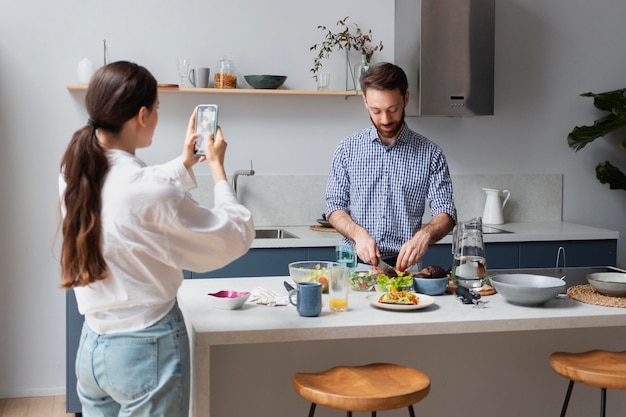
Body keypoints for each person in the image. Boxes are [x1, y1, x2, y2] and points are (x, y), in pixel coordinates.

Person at [58, 61, 254, 417]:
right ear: (143, 115)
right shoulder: (149, 189)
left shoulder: (74, 172)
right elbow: (234, 235)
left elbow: (133, 191)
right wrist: (217, 170)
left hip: (92, 350)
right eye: (159, 109)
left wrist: (183, 163)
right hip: (146, 349)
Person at [325, 62, 457, 272]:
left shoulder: (431, 153)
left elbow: (446, 212)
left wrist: (424, 234)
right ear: (365, 101)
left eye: (393, 109)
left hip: (406, 268)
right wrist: (358, 234)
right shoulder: (347, 149)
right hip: (355, 265)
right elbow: (334, 206)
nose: (385, 119)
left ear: (406, 99)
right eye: (376, 111)